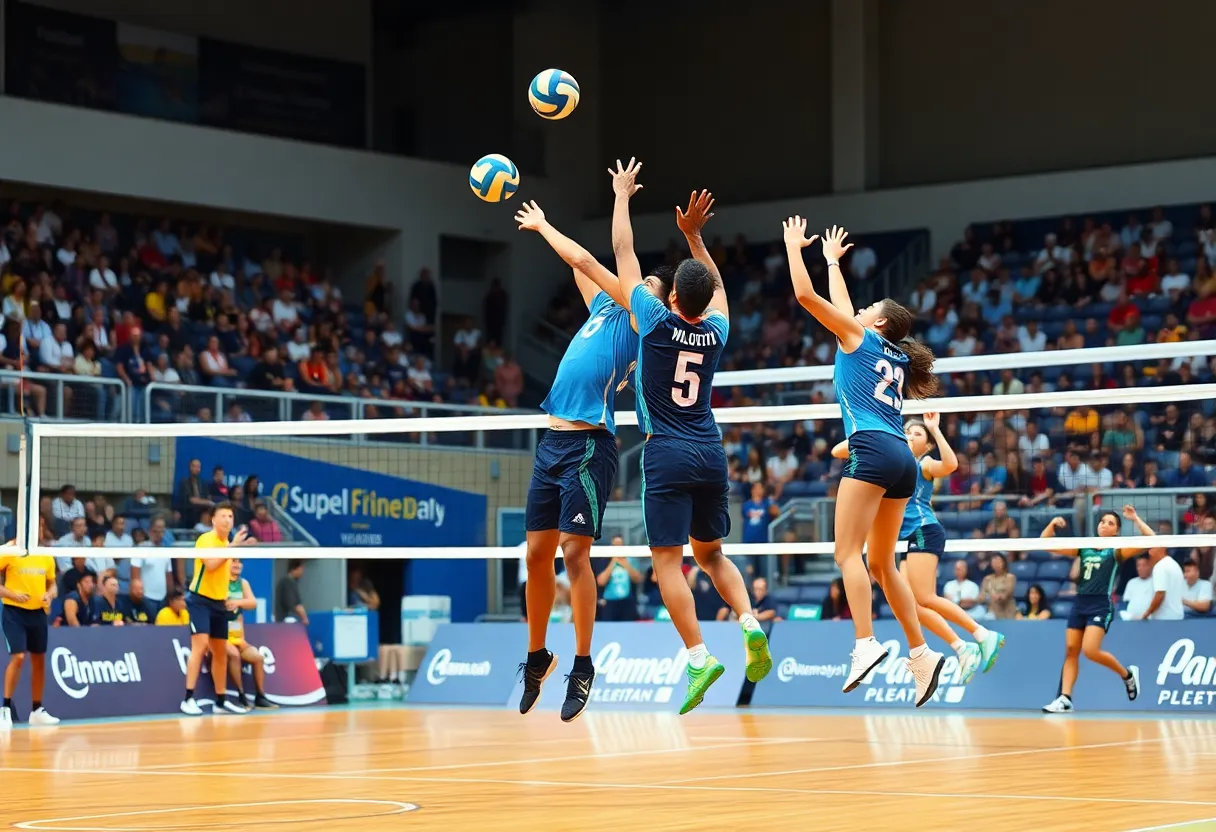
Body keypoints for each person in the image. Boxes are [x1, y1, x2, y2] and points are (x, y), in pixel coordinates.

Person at [611, 159, 771, 714]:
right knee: (712, 553)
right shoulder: (717, 331)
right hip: (710, 451)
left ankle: (700, 655)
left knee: (665, 563)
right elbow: (719, 287)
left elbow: (623, 254)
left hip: (667, 454)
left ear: (672, 295)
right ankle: (749, 621)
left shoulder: (653, 321)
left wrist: (622, 196)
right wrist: (694, 236)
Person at [784, 216, 944, 707]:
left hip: (872, 448)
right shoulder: (893, 354)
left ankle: (866, 642)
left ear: (875, 322)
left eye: (868, 307)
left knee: (846, 555)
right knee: (881, 562)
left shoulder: (858, 337)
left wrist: (797, 250)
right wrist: (832, 260)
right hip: (902, 458)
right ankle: (921, 655)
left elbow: (809, 299)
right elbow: (843, 307)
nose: (859, 307)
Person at [511, 195, 657, 722]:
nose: (638, 288)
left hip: (589, 446)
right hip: (550, 443)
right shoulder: (603, 309)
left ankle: (583, 663)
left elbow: (597, 257)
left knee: (575, 554)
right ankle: (536, 656)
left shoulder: (642, 322)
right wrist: (545, 230)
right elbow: (578, 268)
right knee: (534, 558)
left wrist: (551, 221)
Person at [832, 412, 1002, 685]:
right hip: (906, 536)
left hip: (925, 531)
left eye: (917, 434)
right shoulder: (892, 458)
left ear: (928, 445)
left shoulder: (924, 464)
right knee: (908, 602)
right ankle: (961, 646)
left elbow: (951, 464)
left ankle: (982, 633)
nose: (911, 435)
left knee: (925, 596)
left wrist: (934, 429)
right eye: (907, 431)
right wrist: (876, 435)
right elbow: (837, 450)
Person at [1040, 507, 1149, 713]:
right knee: (1071, 651)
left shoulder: (1116, 551)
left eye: (1110, 523)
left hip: (1100, 604)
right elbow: (1045, 542)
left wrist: (1135, 518)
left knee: (1090, 650)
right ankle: (1065, 698)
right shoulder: (1084, 547)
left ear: (1116, 531)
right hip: (1080, 603)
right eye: (1102, 521)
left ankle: (1127, 675)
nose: (1104, 525)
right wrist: (1052, 524)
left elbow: (1152, 540)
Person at [182, 501, 249, 716]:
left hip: (219, 603)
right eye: (223, 516)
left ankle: (220, 701)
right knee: (200, 647)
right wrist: (233, 547)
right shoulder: (205, 539)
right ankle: (188, 699)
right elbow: (211, 566)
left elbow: (222, 576)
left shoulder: (228, 542)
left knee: (221, 653)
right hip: (199, 601)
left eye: (230, 516)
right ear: (213, 520)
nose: (228, 519)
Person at [0, 552, 59, 728]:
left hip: (38, 613)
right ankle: (5, 708)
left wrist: (49, 595)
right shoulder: (9, 552)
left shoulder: (45, 555)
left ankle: (37, 710)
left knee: (39, 660)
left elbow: (53, 585)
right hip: (14, 612)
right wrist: (12, 595)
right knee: (18, 656)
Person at [224, 560, 277, 710]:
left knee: (257, 657)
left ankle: (260, 697)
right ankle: (241, 696)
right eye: (233, 561)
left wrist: (237, 602)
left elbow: (252, 603)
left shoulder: (243, 583)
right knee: (234, 655)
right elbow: (223, 605)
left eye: (240, 562)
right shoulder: (219, 582)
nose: (238, 564)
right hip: (219, 631)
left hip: (234, 627)